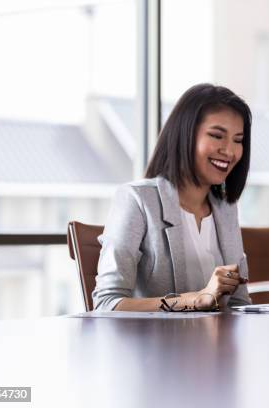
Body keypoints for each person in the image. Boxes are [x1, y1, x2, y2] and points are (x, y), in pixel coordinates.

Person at [92, 84, 252, 312]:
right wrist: (195, 299)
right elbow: (106, 304)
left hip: (218, 346)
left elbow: (239, 303)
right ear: (185, 135)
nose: (230, 151)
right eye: (217, 135)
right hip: (158, 346)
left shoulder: (226, 209)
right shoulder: (137, 200)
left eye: (238, 140)